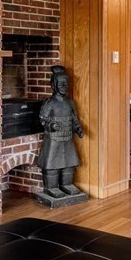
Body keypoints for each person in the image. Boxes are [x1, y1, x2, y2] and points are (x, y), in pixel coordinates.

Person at [35, 66, 85, 199]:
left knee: (69, 162)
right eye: (61, 83)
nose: (64, 86)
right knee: (52, 164)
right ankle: (51, 187)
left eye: (66, 83)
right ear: (54, 85)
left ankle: (67, 185)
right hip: (53, 140)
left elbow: (74, 118)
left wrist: (78, 128)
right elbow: (43, 119)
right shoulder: (49, 103)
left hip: (68, 138)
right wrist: (51, 125)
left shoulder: (70, 102)